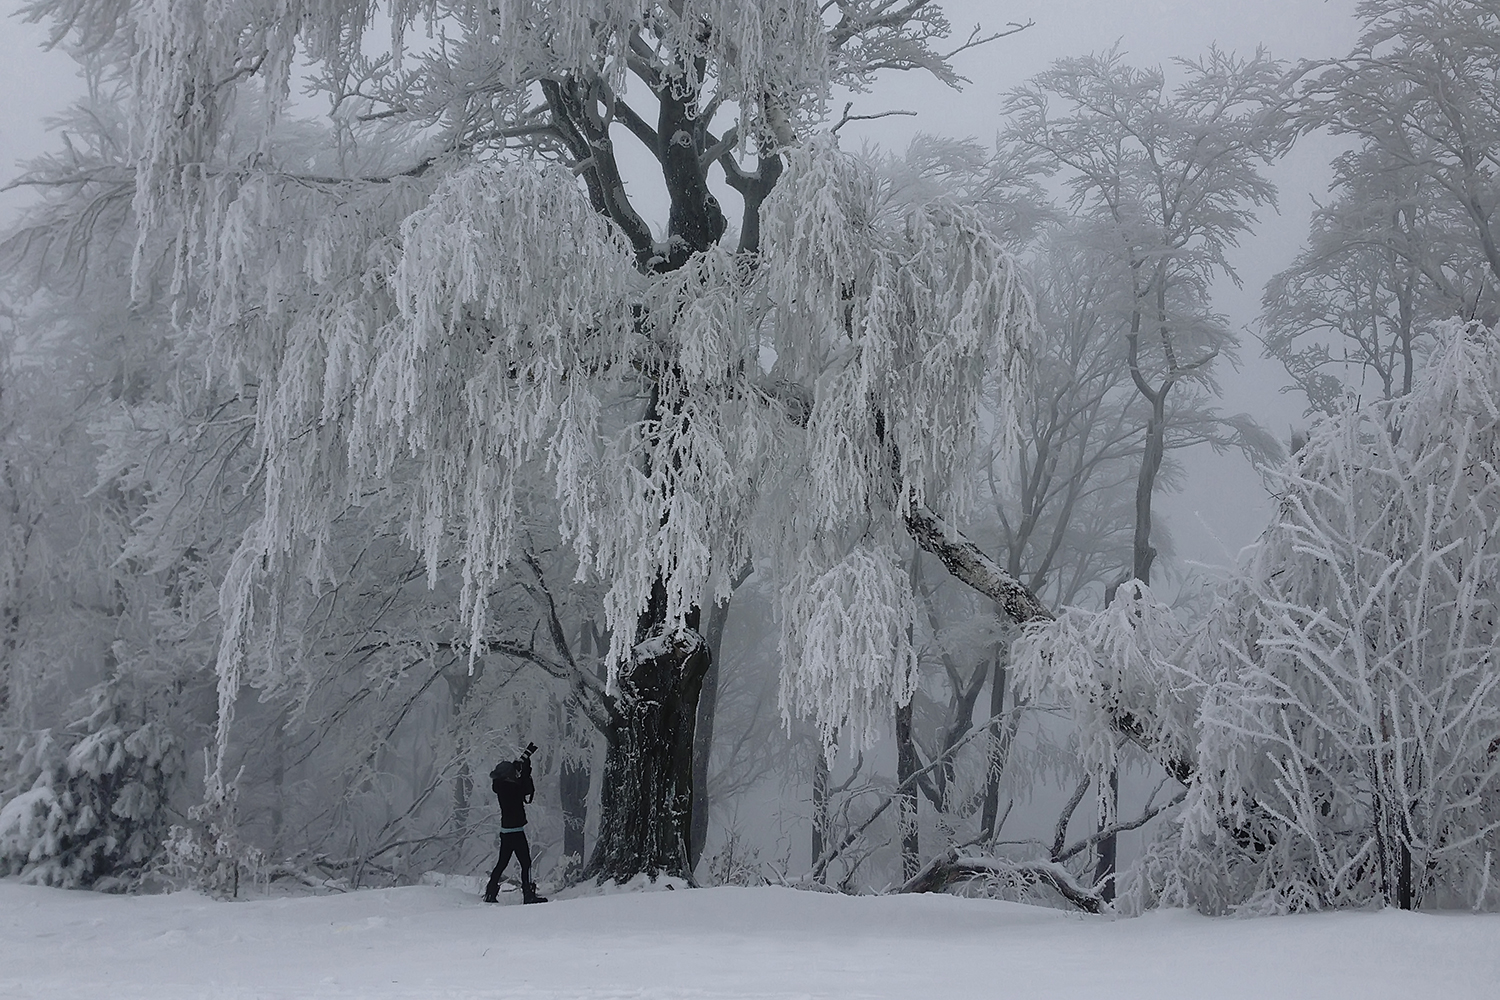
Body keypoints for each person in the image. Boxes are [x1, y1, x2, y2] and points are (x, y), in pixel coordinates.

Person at [483, 747, 547, 904]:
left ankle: (490, 893)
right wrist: (525, 771)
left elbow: (519, 786)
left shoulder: (500, 786)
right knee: (526, 863)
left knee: (502, 863)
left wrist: (518, 768)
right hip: (516, 832)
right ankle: (528, 894)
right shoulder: (511, 788)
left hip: (506, 832)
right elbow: (527, 789)